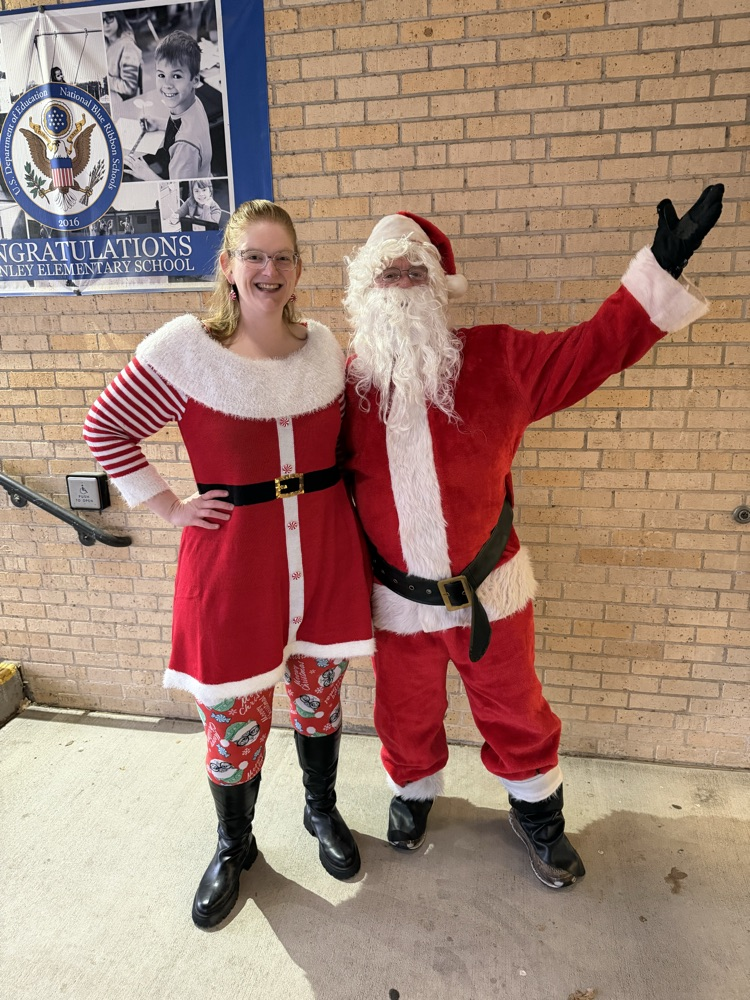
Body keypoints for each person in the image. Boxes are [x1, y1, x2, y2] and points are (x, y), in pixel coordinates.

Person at [341, 186, 724, 889]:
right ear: (364, 288)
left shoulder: (498, 361)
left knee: (514, 708)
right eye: (386, 274)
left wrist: (660, 267)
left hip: (492, 592)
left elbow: (592, 349)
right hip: (395, 601)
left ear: (439, 286)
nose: (399, 287)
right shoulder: (343, 389)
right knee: (402, 711)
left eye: (413, 272)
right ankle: (413, 790)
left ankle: (538, 812)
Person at [82, 199, 375, 928]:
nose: (267, 270)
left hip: (325, 552)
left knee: (318, 695)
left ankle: (321, 810)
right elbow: (106, 427)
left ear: (299, 270)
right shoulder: (186, 348)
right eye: (254, 256)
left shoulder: (322, 349)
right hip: (234, 564)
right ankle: (234, 844)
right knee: (234, 712)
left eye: (282, 258)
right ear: (228, 266)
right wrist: (171, 507)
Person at [124, 29, 210, 181]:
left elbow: (177, 196)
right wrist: (159, 123)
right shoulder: (194, 103)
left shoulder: (184, 147)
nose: (167, 84)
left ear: (195, 81)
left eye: (176, 76)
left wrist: (145, 173)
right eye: (161, 75)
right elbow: (183, 126)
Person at [102, 11, 142, 100]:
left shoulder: (128, 47)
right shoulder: (106, 42)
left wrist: (105, 80)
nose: (105, 25)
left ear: (118, 17)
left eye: (109, 18)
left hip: (123, 103)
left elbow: (129, 87)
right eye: (101, 20)